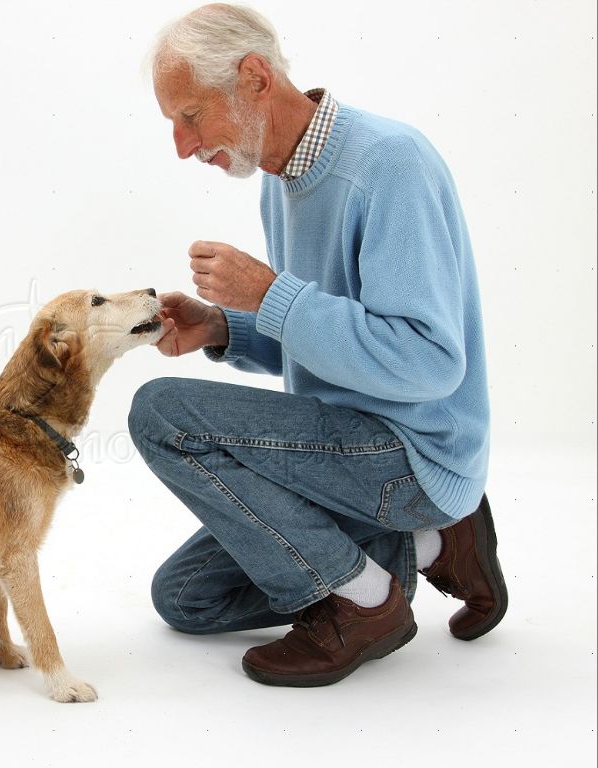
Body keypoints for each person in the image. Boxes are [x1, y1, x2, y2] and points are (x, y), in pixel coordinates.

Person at [128, 3, 507, 687]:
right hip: (345, 450)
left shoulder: (390, 163)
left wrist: (272, 296)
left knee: (160, 413)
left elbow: (425, 363)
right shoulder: (282, 183)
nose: (183, 147)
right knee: (185, 598)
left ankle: (365, 606)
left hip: (410, 450)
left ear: (253, 78)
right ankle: (428, 543)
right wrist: (221, 327)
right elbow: (322, 341)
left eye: (190, 116)